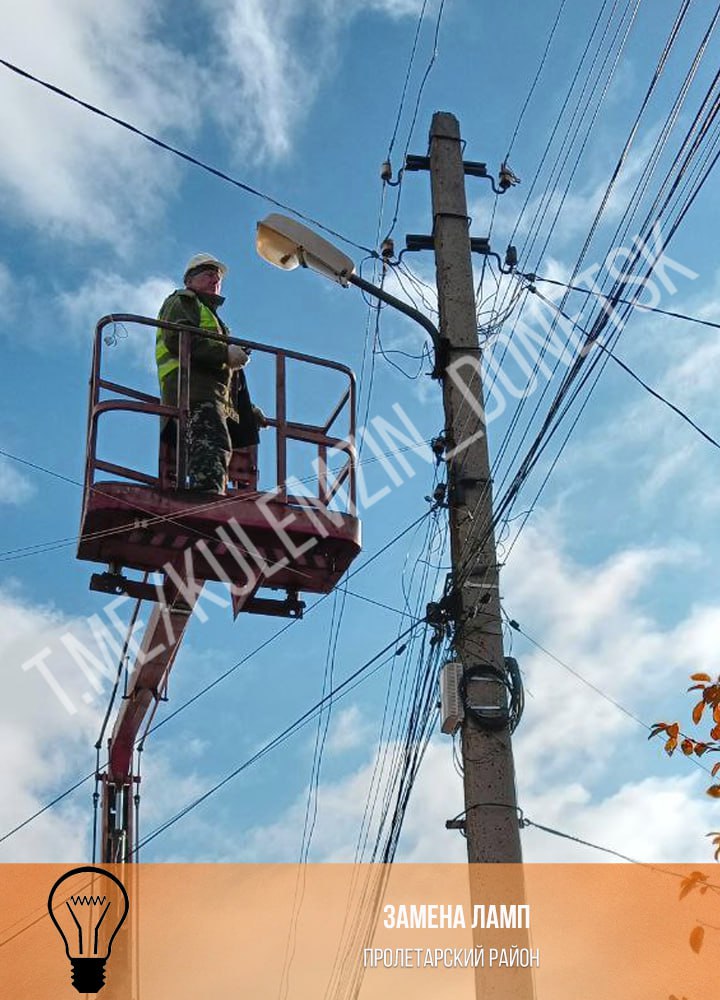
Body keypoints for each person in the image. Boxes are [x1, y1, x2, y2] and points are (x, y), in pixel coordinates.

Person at [156, 252, 261, 495]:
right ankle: (207, 495)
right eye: (208, 273)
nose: (215, 278)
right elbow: (180, 339)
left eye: (218, 276)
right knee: (211, 442)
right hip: (190, 392)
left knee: (218, 442)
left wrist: (246, 409)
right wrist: (225, 354)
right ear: (190, 280)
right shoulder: (183, 301)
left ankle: (212, 492)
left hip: (208, 394)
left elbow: (226, 373)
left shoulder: (214, 319)